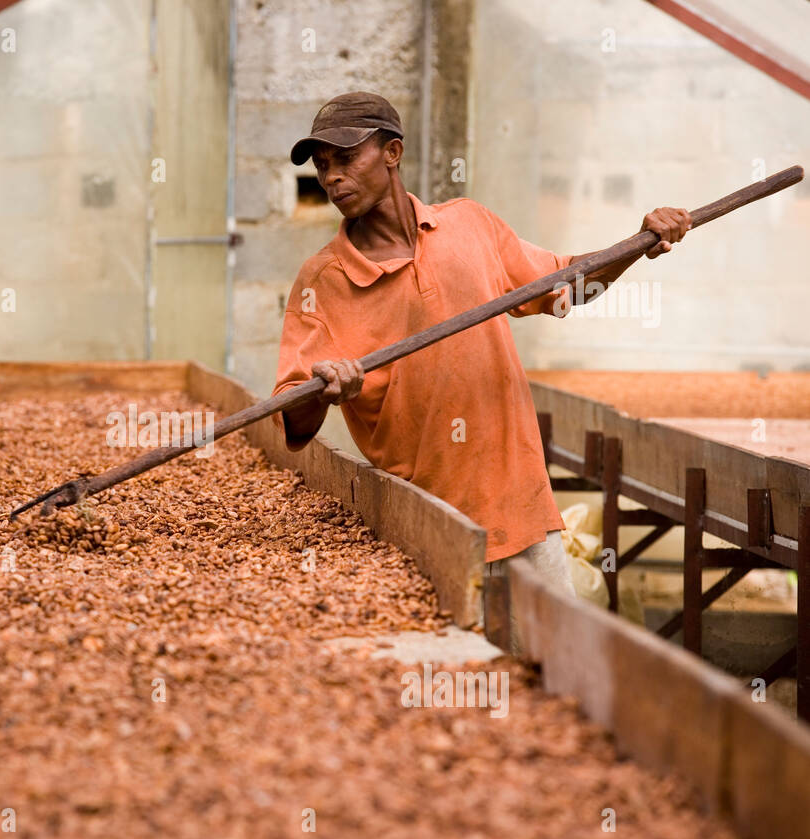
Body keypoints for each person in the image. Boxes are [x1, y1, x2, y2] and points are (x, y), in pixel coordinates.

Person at [274, 91, 692, 592]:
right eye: (322, 166)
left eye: (345, 158)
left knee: (550, 663)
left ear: (392, 153)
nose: (332, 177)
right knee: (457, 664)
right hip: (423, 528)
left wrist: (638, 243)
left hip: (522, 509)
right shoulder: (324, 280)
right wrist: (325, 390)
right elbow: (290, 409)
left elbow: (566, 285)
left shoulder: (469, 226)